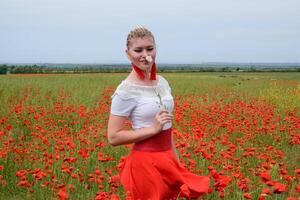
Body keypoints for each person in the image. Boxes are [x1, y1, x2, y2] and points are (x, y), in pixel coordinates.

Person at [107, 26, 210, 199]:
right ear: (127, 53)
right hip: (145, 164)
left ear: (156, 49)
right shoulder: (126, 90)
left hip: (168, 159)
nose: (145, 54)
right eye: (138, 50)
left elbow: (167, 126)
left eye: (150, 49)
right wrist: (152, 129)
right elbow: (113, 137)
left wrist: (176, 164)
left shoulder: (162, 83)